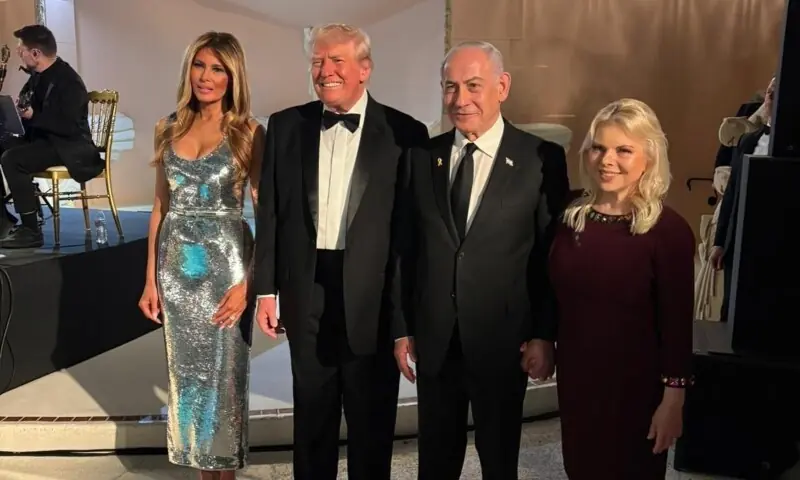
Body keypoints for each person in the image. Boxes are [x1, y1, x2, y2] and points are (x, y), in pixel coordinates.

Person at [252, 23, 428, 480]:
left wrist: (404, 320)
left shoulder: (406, 133)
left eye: (336, 62)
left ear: (365, 69)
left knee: (372, 422)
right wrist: (266, 289)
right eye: (317, 62)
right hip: (305, 287)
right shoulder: (287, 125)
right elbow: (271, 213)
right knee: (312, 416)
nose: (325, 71)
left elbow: (410, 236)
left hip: (374, 297)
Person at [393, 41, 570, 479]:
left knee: (499, 461)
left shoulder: (539, 159)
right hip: (435, 342)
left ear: (502, 86)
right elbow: (405, 250)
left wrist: (545, 335)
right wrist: (401, 329)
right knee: (435, 463)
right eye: (450, 87)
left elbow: (550, 256)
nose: (460, 99)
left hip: (504, 342)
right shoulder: (420, 158)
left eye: (473, 85)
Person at [137, 31, 262, 480]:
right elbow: (159, 208)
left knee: (224, 387)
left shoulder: (248, 131)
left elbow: (264, 213)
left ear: (233, 77)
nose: (206, 77)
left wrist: (249, 285)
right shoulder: (166, 127)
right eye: (200, 65)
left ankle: (224, 475)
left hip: (227, 269)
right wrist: (151, 280)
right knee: (187, 383)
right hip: (176, 271)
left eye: (217, 69)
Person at [549, 98, 695, 479]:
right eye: (598, 147)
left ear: (649, 156)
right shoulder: (568, 217)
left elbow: (677, 325)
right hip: (579, 382)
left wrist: (673, 399)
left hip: (637, 391)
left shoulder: (668, 232)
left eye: (623, 150)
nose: (606, 160)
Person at [0, 24, 102, 248]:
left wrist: (34, 115)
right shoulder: (37, 76)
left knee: (12, 159)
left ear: (35, 54)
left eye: (21, 51)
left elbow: (69, 125)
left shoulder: (69, 81)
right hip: (44, 141)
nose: (19, 54)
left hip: (69, 146)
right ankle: (3, 219)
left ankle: (31, 230)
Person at [710, 77, 774, 323]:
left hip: (773, 244)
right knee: (731, 312)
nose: (773, 99)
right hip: (737, 241)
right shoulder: (748, 141)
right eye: (770, 93)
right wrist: (719, 243)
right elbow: (733, 193)